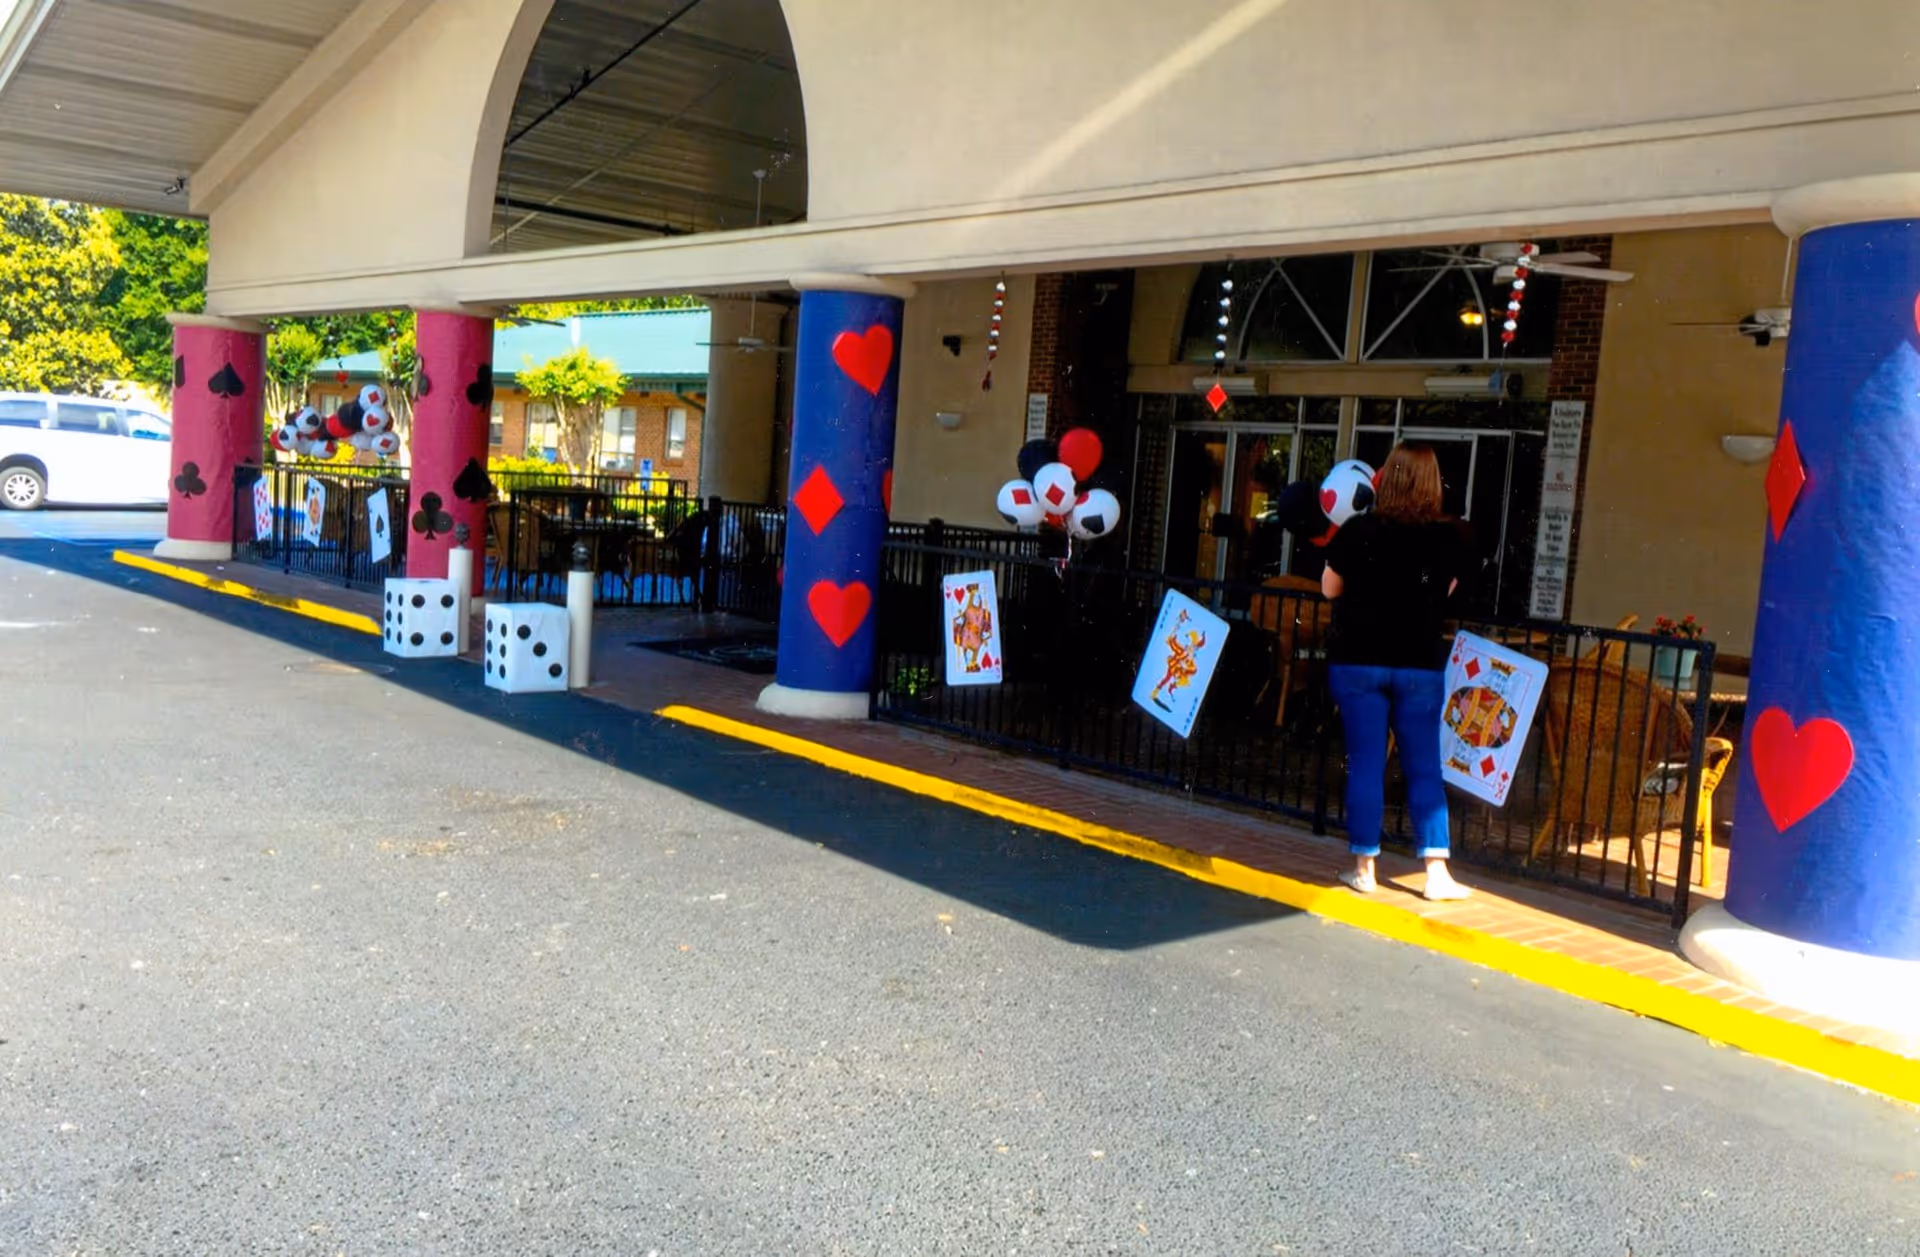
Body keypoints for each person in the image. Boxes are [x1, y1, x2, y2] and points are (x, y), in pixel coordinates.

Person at [1320, 443, 1473, 901]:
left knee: (1367, 762)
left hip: (1358, 660)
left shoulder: (1356, 529)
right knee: (1424, 765)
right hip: (1418, 663)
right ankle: (1436, 873)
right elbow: (1446, 593)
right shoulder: (1449, 539)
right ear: (1431, 483)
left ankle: (1365, 867)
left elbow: (1330, 589)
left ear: (1386, 480)